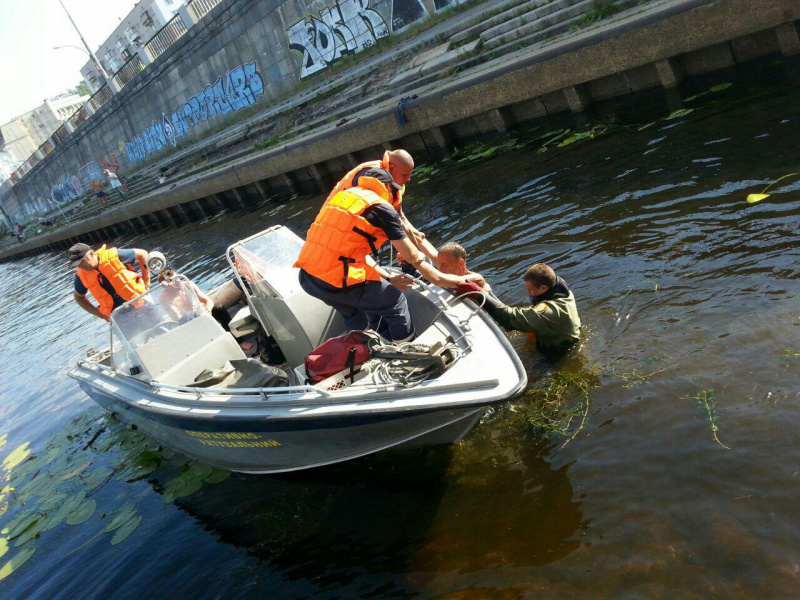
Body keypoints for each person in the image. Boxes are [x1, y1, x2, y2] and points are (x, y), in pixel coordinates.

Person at [294, 168, 466, 342]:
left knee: (355, 313)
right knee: (395, 301)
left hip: (308, 278)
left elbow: (349, 253)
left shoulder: (343, 199)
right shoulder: (380, 207)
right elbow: (412, 256)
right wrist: (437, 273)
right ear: (388, 187)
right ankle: (407, 350)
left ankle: (363, 349)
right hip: (337, 279)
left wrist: (388, 278)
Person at [330, 149, 439, 262]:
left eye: (409, 174)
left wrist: (418, 238)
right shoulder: (371, 179)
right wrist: (409, 249)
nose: (408, 179)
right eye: (404, 175)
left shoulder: (394, 181)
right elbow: (393, 224)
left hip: (351, 230)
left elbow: (400, 216)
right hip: (338, 229)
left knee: (413, 238)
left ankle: (440, 262)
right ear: (392, 167)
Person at [464, 263, 581, 353]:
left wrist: (478, 293)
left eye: (530, 289)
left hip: (559, 351)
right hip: (561, 334)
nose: (528, 292)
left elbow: (509, 317)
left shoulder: (547, 312)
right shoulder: (560, 290)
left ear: (543, 288)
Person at [71, 242, 151, 322]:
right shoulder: (81, 276)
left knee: (156, 325)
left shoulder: (113, 255)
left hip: (141, 302)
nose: (81, 266)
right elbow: (78, 297)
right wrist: (100, 314)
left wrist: (146, 281)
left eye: (82, 261)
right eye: (77, 264)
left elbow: (142, 254)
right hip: (118, 316)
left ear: (91, 253)